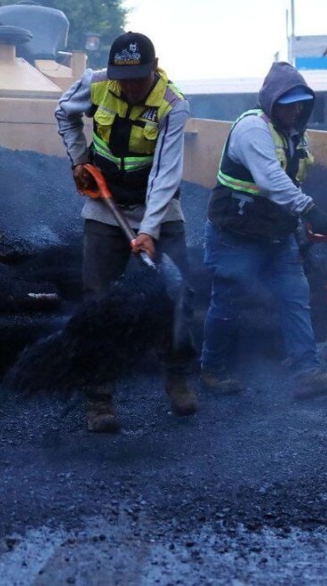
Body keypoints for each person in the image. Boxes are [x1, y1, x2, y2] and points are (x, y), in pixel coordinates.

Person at [54, 32, 197, 432]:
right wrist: (79, 159)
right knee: (98, 302)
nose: (129, 86)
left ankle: (178, 376)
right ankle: (98, 398)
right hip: (104, 207)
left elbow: (167, 175)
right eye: (123, 78)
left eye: (137, 78)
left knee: (175, 291)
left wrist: (149, 229)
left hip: (160, 208)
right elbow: (63, 112)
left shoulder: (173, 104)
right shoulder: (98, 83)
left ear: (154, 67)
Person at [199, 62, 327, 400]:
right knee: (226, 303)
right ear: (272, 103)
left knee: (295, 297)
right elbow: (270, 179)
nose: (296, 109)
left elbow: (294, 180)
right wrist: (310, 210)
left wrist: (301, 227)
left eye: (300, 103)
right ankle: (211, 370)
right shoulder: (252, 129)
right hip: (234, 236)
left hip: (277, 237)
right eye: (288, 103)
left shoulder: (297, 137)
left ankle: (306, 373)